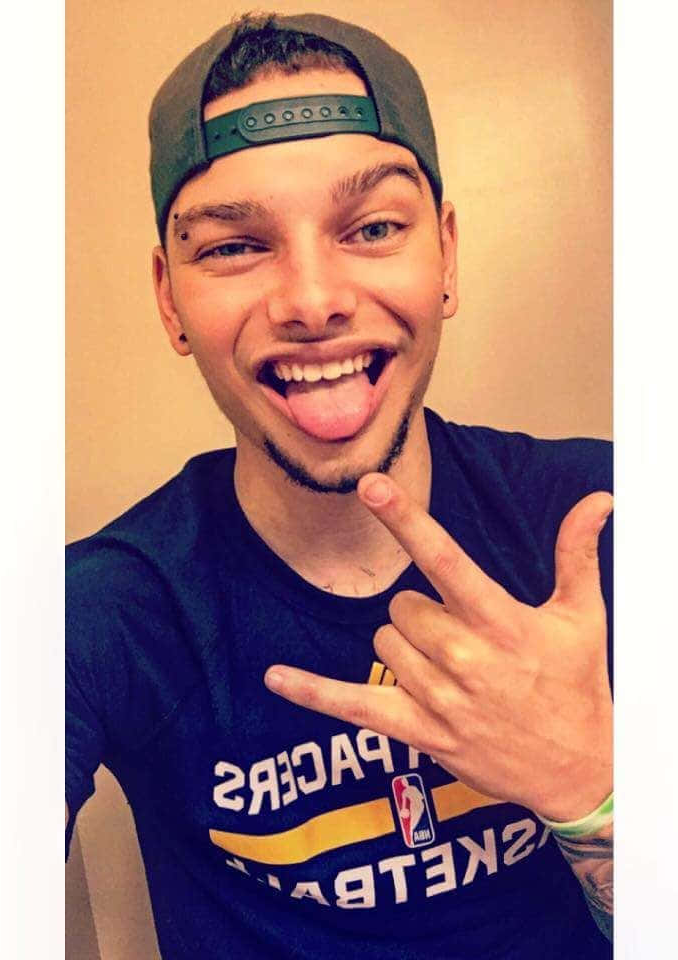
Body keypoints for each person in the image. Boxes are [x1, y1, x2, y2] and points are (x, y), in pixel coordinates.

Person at [66, 12, 614, 959]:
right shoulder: (108, 611)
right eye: (234, 246)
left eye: (373, 228)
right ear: (169, 299)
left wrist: (587, 783)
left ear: (445, 255)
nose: (313, 301)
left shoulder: (600, 520)